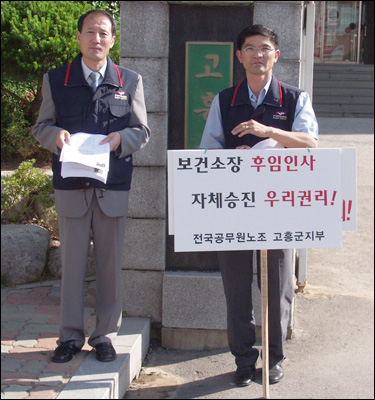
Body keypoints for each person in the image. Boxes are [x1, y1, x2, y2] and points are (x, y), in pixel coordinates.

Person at [200, 25, 318, 386]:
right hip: (234, 208)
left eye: (264, 48)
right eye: (249, 48)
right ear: (239, 56)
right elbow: (206, 150)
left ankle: (274, 359)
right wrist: (229, 156)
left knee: (278, 285)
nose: (257, 55)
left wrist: (270, 132)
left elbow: (310, 143)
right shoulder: (224, 100)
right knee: (236, 288)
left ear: (276, 55)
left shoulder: (294, 98)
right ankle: (242, 359)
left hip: (280, 206)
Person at [32, 10, 150, 363]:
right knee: (71, 266)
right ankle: (68, 337)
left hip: (111, 187)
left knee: (110, 267)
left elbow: (141, 131)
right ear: (79, 37)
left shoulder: (129, 80)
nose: (96, 39)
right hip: (72, 188)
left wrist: (119, 139)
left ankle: (104, 336)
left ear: (113, 40)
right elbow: (41, 126)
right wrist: (56, 136)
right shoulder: (56, 79)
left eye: (103, 33)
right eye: (90, 33)